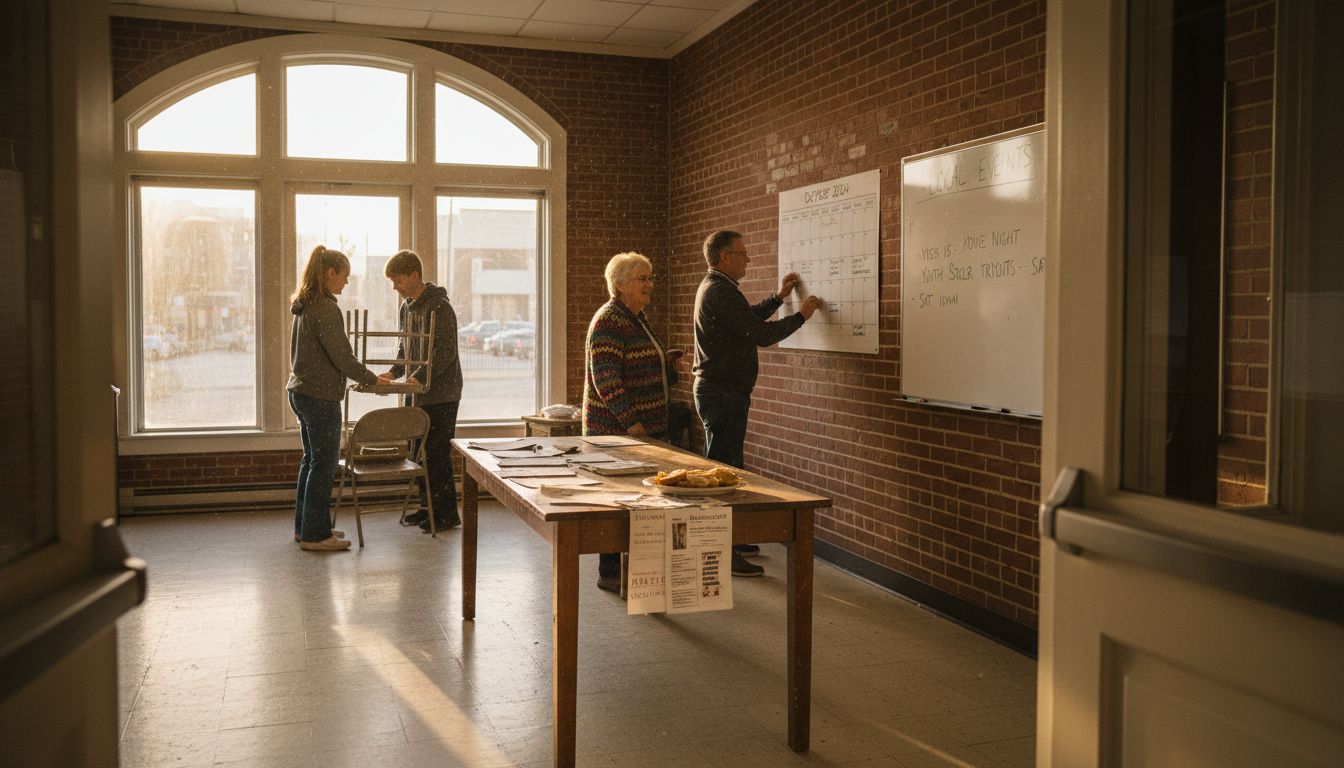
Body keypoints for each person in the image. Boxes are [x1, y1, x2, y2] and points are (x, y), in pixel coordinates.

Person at [693, 230, 822, 576]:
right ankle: (719, 551)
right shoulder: (719, 291)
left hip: (722, 391)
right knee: (723, 471)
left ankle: (729, 540)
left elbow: (747, 319)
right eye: (742, 254)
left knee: (728, 468)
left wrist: (779, 298)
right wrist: (800, 317)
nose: (747, 260)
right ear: (724, 258)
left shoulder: (717, 287)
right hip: (722, 393)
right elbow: (760, 334)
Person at [583, 251, 683, 593]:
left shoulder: (636, 318)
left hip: (641, 431)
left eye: (650, 277)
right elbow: (606, 380)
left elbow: (633, 363)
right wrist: (632, 425)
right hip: (617, 433)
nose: (650, 285)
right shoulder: (610, 320)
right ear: (620, 284)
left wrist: (663, 364)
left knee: (635, 502)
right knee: (615, 503)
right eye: (643, 278)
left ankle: (634, 570)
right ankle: (609, 571)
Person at [287, 244, 382, 551]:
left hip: (300, 392)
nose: (346, 282)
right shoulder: (325, 308)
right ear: (330, 273)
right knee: (324, 464)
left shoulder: (305, 305)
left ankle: (308, 528)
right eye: (344, 275)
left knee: (311, 461)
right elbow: (342, 355)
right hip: (319, 397)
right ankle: (317, 536)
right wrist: (371, 380)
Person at [383, 249, 464, 533]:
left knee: (437, 453)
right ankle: (425, 507)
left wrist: (416, 378)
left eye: (398, 280)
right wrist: (392, 374)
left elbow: (444, 353)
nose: (395, 287)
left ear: (414, 276)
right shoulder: (407, 307)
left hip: (442, 393)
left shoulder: (440, 308)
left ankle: (445, 514)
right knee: (417, 451)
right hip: (417, 391)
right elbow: (406, 348)